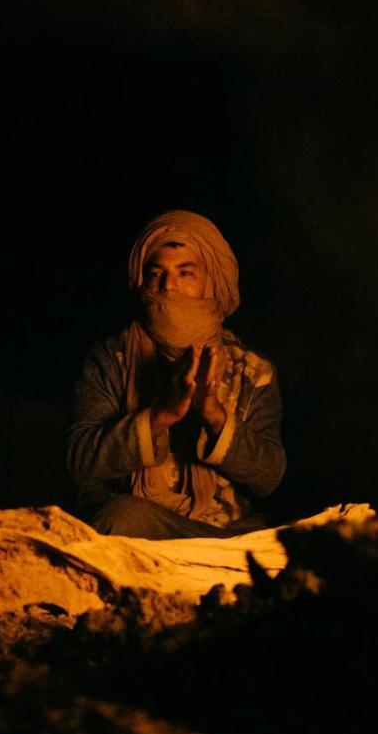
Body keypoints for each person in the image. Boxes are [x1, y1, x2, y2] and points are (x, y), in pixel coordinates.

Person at [66, 209, 285, 539]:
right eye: (157, 274)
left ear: (211, 280)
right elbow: (80, 461)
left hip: (227, 531)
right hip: (141, 525)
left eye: (186, 274)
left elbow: (269, 476)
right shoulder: (114, 358)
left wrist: (215, 417)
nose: (169, 287)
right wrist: (160, 416)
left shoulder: (252, 371)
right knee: (121, 519)